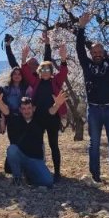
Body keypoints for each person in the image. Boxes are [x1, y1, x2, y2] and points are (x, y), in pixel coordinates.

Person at [76, 10, 109, 185]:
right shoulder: (87, 64)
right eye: (94, 50)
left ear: (104, 52)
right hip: (94, 109)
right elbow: (78, 48)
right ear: (91, 53)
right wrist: (81, 27)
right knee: (94, 143)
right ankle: (95, 176)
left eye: (100, 50)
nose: (97, 52)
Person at [20, 39, 68, 182]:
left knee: (54, 145)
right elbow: (25, 72)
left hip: (52, 118)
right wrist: (23, 58)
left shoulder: (56, 81)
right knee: (38, 145)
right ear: (39, 72)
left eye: (48, 69)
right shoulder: (36, 81)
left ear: (51, 72)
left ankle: (57, 172)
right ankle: (39, 170)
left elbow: (64, 72)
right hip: (38, 118)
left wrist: (63, 58)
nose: (45, 72)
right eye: (43, 70)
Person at [2, 94, 68, 187]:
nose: (26, 111)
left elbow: (50, 112)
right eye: (23, 108)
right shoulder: (15, 119)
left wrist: (57, 105)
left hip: (35, 159)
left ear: (33, 108)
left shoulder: (39, 119)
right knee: (12, 149)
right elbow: (6, 111)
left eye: (29, 108)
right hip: (20, 157)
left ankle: (29, 175)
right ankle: (17, 178)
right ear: (20, 110)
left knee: (48, 182)